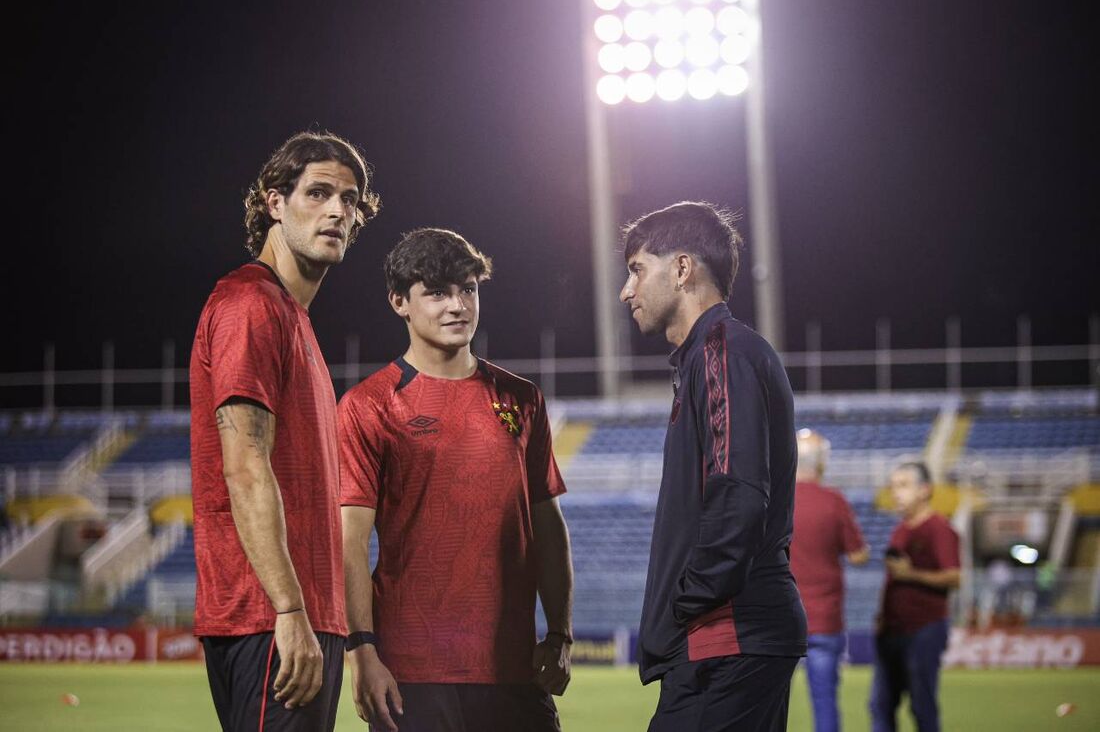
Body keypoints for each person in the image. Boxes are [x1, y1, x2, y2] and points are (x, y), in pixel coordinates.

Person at [339, 228, 573, 732]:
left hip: (513, 671)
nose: (457, 305)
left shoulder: (522, 398)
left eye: (468, 289)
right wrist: (361, 651)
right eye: (438, 292)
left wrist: (560, 635)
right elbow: (350, 540)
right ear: (400, 302)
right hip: (411, 673)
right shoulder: (369, 404)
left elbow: (548, 528)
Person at [190, 131, 380, 731]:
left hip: (297, 613)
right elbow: (244, 463)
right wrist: (290, 607)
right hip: (269, 614)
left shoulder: (291, 318)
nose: (336, 211)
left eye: (349, 201)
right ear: (275, 203)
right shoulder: (251, 304)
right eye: (318, 193)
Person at [620, 201, 807, 732]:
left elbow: (739, 490)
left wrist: (688, 601)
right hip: (725, 638)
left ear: (682, 269)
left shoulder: (722, 350)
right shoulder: (709, 357)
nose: (626, 291)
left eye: (637, 270)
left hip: (726, 636)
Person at [789, 429, 870, 732]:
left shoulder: (774, 497)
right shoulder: (834, 501)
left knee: (768, 700)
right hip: (824, 617)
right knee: (824, 702)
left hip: (780, 618)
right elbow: (858, 554)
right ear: (822, 463)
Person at [870, 461, 960, 732]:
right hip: (893, 631)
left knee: (922, 706)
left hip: (924, 628)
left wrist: (911, 575)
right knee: (881, 705)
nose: (895, 493)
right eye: (894, 486)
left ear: (925, 490)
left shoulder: (938, 527)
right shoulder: (901, 528)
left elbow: (955, 576)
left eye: (903, 485)